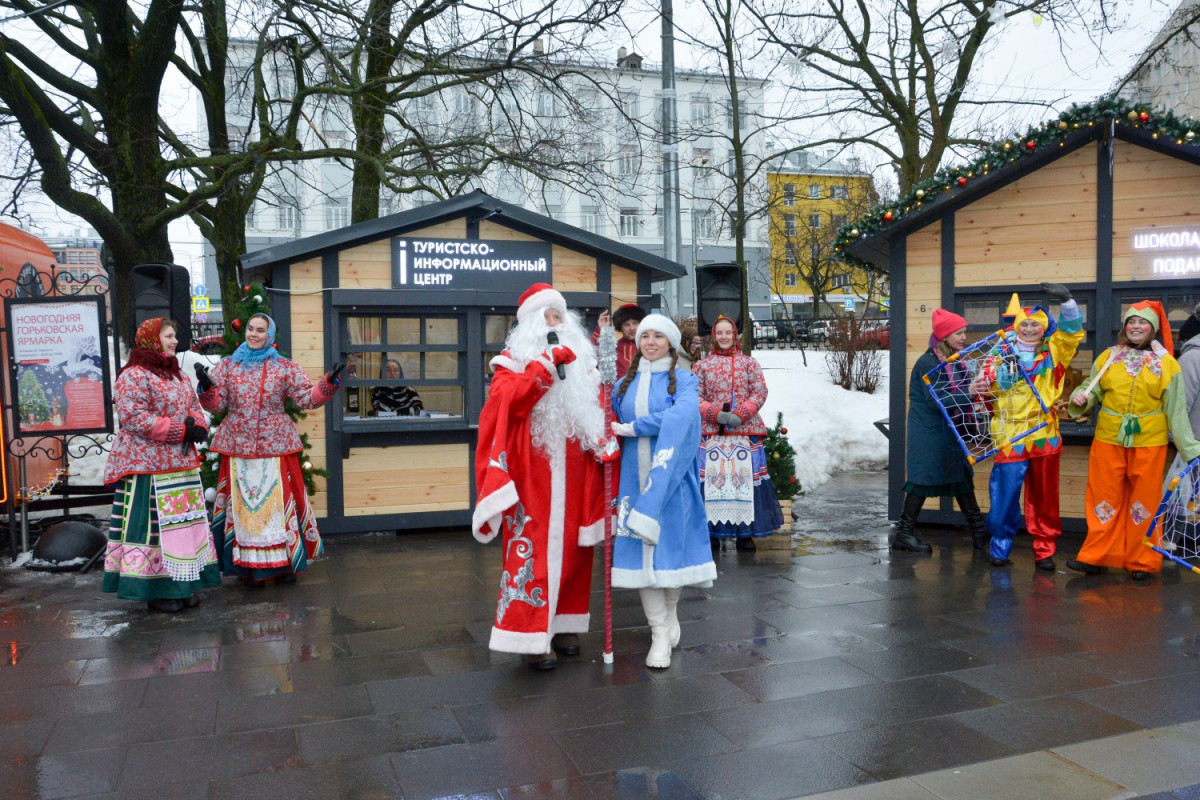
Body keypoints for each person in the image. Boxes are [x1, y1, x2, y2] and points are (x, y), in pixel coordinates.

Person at [473, 283, 610, 670]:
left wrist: (603, 437)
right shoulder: (512, 360)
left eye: (559, 315)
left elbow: (595, 406)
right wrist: (544, 368)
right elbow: (505, 404)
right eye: (547, 316)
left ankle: (564, 624)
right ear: (532, 323)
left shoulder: (582, 361)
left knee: (574, 551)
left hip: (576, 470)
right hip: (533, 471)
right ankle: (533, 636)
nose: (555, 322)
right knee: (532, 551)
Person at [197, 313, 342, 587]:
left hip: (275, 446)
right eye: (250, 328)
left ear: (269, 335)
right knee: (242, 509)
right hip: (238, 445)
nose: (253, 334)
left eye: (260, 330)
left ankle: (284, 563)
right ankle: (247, 568)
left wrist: (327, 385)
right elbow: (217, 406)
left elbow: (306, 399)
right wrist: (206, 388)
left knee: (276, 507)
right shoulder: (228, 366)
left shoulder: (284, 368)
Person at [610, 313, 717, 669]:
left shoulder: (685, 381)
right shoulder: (622, 385)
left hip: (672, 481)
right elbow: (611, 423)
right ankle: (658, 631)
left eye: (658, 336)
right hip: (631, 482)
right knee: (639, 557)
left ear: (670, 341)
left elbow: (683, 417)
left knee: (670, 552)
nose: (650, 342)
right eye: (644, 336)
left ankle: (670, 613)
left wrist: (634, 427)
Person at [1067, 302, 1200, 581]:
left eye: (1143, 322)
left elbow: (1176, 410)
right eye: (1131, 321)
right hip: (1108, 439)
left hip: (1150, 442)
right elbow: (1091, 389)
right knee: (1103, 498)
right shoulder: (1108, 357)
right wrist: (1081, 398)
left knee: (1145, 502)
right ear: (1124, 327)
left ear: (1152, 329)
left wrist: (1191, 450)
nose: (1136, 326)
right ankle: (1096, 556)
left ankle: (1142, 560)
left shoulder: (1167, 363)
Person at [102, 318, 220, 613]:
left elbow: (193, 404)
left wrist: (199, 426)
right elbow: (135, 417)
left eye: (174, 336)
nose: (174, 341)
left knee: (182, 528)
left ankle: (183, 584)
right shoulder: (133, 374)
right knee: (154, 529)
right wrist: (181, 431)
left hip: (179, 464)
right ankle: (157, 589)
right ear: (152, 340)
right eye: (169, 336)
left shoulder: (176, 374)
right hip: (147, 467)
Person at [971, 283, 1084, 570]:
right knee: (1005, 495)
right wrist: (979, 386)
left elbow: (1072, 334)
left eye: (1036, 324)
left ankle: (1044, 550)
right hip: (1009, 433)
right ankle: (1000, 545)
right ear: (1017, 326)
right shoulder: (999, 352)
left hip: (1043, 433)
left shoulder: (1055, 350)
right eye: (1025, 324)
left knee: (1044, 498)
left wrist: (1068, 302)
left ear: (1044, 328)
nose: (1030, 329)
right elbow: (983, 387)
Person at [895, 308, 988, 553]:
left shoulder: (953, 359)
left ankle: (979, 533)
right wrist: (969, 392)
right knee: (921, 481)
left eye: (964, 332)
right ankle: (904, 534)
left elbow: (959, 394)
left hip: (949, 430)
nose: (963, 337)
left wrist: (975, 388)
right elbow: (936, 400)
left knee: (960, 477)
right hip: (928, 432)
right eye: (958, 332)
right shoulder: (928, 362)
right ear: (944, 335)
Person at [692, 315, 783, 552]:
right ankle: (712, 532)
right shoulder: (701, 366)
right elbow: (694, 395)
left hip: (745, 431)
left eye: (728, 333)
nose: (724, 337)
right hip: (712, 433)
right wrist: (713, 413)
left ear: (735, 335)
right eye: (719, 333)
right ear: (714, 336)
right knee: (713, 484)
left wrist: (742, 413)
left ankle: (745, 533)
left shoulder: (749, 363)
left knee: (744, 484)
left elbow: (760, 391)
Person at [595, 302, 646, 377]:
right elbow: (591, 353)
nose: (632, 328)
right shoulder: (613, 347)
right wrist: (601, 330)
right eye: (627, 325)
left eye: (635, 323)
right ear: (620, 327)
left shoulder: (649, 346)